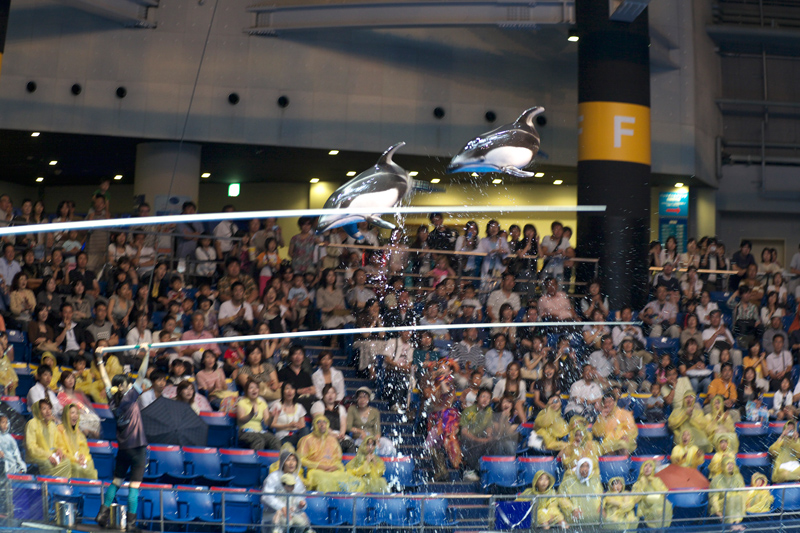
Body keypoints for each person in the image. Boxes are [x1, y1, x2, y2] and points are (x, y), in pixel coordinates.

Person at [93, 345, 151, 531]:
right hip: (138, 449)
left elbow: (104, 378)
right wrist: (147, 353)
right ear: (124, 386)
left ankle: (102, 514)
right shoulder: (129, 397)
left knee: (117, 482)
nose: (130, 383)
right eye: (127, 382)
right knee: (133, 487)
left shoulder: (112, 398)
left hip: (123, 449)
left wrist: (99, 359)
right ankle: (132, 524)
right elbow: (141, 375)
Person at [297, 415, 359, 493]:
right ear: (314, 425)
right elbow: (301, 459)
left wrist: (334, 467)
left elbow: (337, 459)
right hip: (316, 471)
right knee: (325, 481)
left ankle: (344, 503)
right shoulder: (307, 440)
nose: (322, 424)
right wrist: (320, 466)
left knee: (352, 481)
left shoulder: (333, 440)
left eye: (324, 422)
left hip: (333, 470)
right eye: (319, 422)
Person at [261, 445, 309, 529]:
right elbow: (266, 496)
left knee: (302, 524)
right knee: (285, 522)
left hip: (292, 513)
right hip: (273, 512)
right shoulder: (273, 477)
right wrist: (282, 507)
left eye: (294, 460)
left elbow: (299, 497)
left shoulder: (297, 479)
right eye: (288, 460)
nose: (291, 463)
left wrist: (300, 504)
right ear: (283, 462)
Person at [25, 398, 71, 477]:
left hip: (52, 455)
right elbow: (31, 447)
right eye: (44, 408)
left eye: (49, 408)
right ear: (38, 411)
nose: (48, 411)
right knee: (48, 464)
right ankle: (48, 487)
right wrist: (47, 455)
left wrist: (59, 450)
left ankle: (62, 487)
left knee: (67, 462)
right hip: (37, 456)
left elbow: (58, 442)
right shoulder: (32, 424)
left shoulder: (52, 425)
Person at [346, 386, 395, 456]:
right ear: (357, 399)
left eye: (365, 397)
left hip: (373, 438)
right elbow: (348, 427)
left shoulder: (375, 411)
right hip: (359, 439)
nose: (362, 400)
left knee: (387, 444)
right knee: (366, 447)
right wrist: (360, 431)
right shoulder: (352, 409)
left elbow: (377, 430)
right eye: (360, 397)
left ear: (368, 399)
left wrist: (376, 440)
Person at [459, 387, 494, 482]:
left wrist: (489, 436)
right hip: (467, 439)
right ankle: (469, 470)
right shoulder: (468, 411)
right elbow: (464, 432)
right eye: (483, 396)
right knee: (476, 444)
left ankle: (489, 472)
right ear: (477, 398)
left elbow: (489, 426)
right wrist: (479, 440)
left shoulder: (489, 411)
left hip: (481, 437)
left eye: (488, 397)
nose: (485, 399)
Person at [56, 403, 98, 479]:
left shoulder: (78, 431)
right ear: (66, 415)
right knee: (77, 468)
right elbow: (62, 450)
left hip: (78, 459)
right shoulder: (60, 429)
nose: (75, 415)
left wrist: (82, 456)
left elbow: (83, 447)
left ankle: (89, 490)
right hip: (66, 460)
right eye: (72, 413)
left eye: (77, 413)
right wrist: (75, 459)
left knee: (89, 465)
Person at [236, 378, 281, 451]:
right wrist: (251, 414)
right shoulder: (242, 402)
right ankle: (257, 461)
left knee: (275, 440)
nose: (254, 390)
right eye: (251, 388)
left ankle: (275, 461)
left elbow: (267, 423)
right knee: (259, 440)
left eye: (256, 388)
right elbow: (241, 419)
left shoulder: (262, 403)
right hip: (245, 432)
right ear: (246, 390)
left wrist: (272, 417)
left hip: (259, 431)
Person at [310, 384, 354, 453]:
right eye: (327, 393)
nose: (330, 395)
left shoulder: (340, 408)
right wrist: (332, 434)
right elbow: (320, 423)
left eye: (332, 393)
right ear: (323, 395)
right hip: (322, 434)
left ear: (336, 395)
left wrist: (341, 434)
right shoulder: (318, 405)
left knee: (350, 444)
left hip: (338, 435)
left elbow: (343, 424)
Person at [558, 458, 603, 526]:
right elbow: (561, 498)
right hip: (575, 520)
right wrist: (572, 509)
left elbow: (601, 496)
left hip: (595, 519)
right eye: (582, 466)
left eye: (587, 466)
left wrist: (602, 507)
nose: (584, 469)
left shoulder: (595, 481)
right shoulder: (568, 481)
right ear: (578, 467)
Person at [631, 459, 672, 528]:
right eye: (645, 466)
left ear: (653, 468)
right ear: (642, 468)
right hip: (646, 506)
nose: (647, 468)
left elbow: (664, 493)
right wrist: (643, 485)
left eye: (650, 466)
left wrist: (654, 483)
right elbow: (634, 500)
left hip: (660, 506)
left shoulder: (657, 480)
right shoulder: (637, 484)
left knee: (666, 505)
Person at [709, 457, 745, 528]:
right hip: (721, 504)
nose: (730, 466)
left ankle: (737, 522)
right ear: (723, 466)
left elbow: (743, 493)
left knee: (737, 497)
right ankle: (730, 523)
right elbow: (713, 498)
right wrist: (718, 512)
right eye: (728, 464)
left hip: (735, 502)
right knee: (731, 498)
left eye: (732, 463)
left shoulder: (738, 477)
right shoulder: (717, 479)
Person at [270, 382, 309, 448]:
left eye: (292, 389)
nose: (290, 391)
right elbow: (272, 425)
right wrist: (288, 426)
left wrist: (297, 425)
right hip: (283, 437)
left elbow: (302, 426)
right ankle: (302, 451)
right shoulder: (277, 405)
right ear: (283, 391)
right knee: (304, 441)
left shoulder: (299, 407)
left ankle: (302, 451)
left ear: (295, 391)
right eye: (287, 389)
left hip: (296, 434)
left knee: (306, 430)